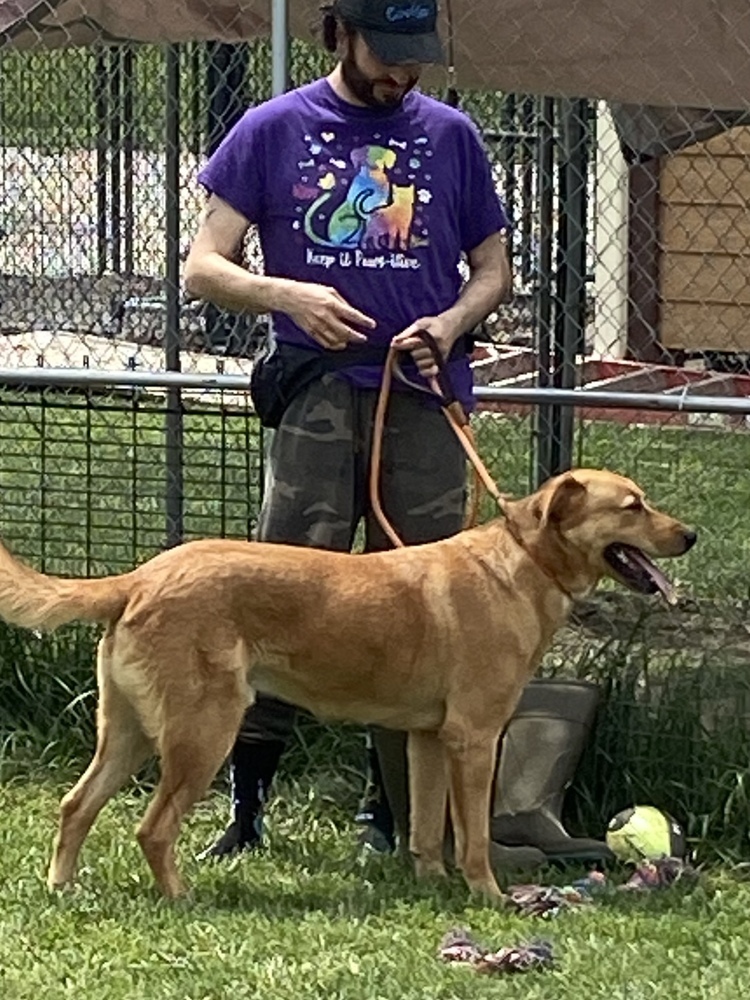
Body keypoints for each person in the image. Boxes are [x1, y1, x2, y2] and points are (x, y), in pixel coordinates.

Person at [183, 0, 512, 861]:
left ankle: (397, 823)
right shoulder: (271, 128)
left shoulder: (451, 137)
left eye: (417, 57)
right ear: (338, 32)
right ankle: (245, 810)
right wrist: (287, 295)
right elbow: (203, 267)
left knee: (427, 619)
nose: (404, 74)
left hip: (422, 389)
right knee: (285, 593)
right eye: (387, 53)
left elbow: (492, 270)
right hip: (320, 391)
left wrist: (450, 323)